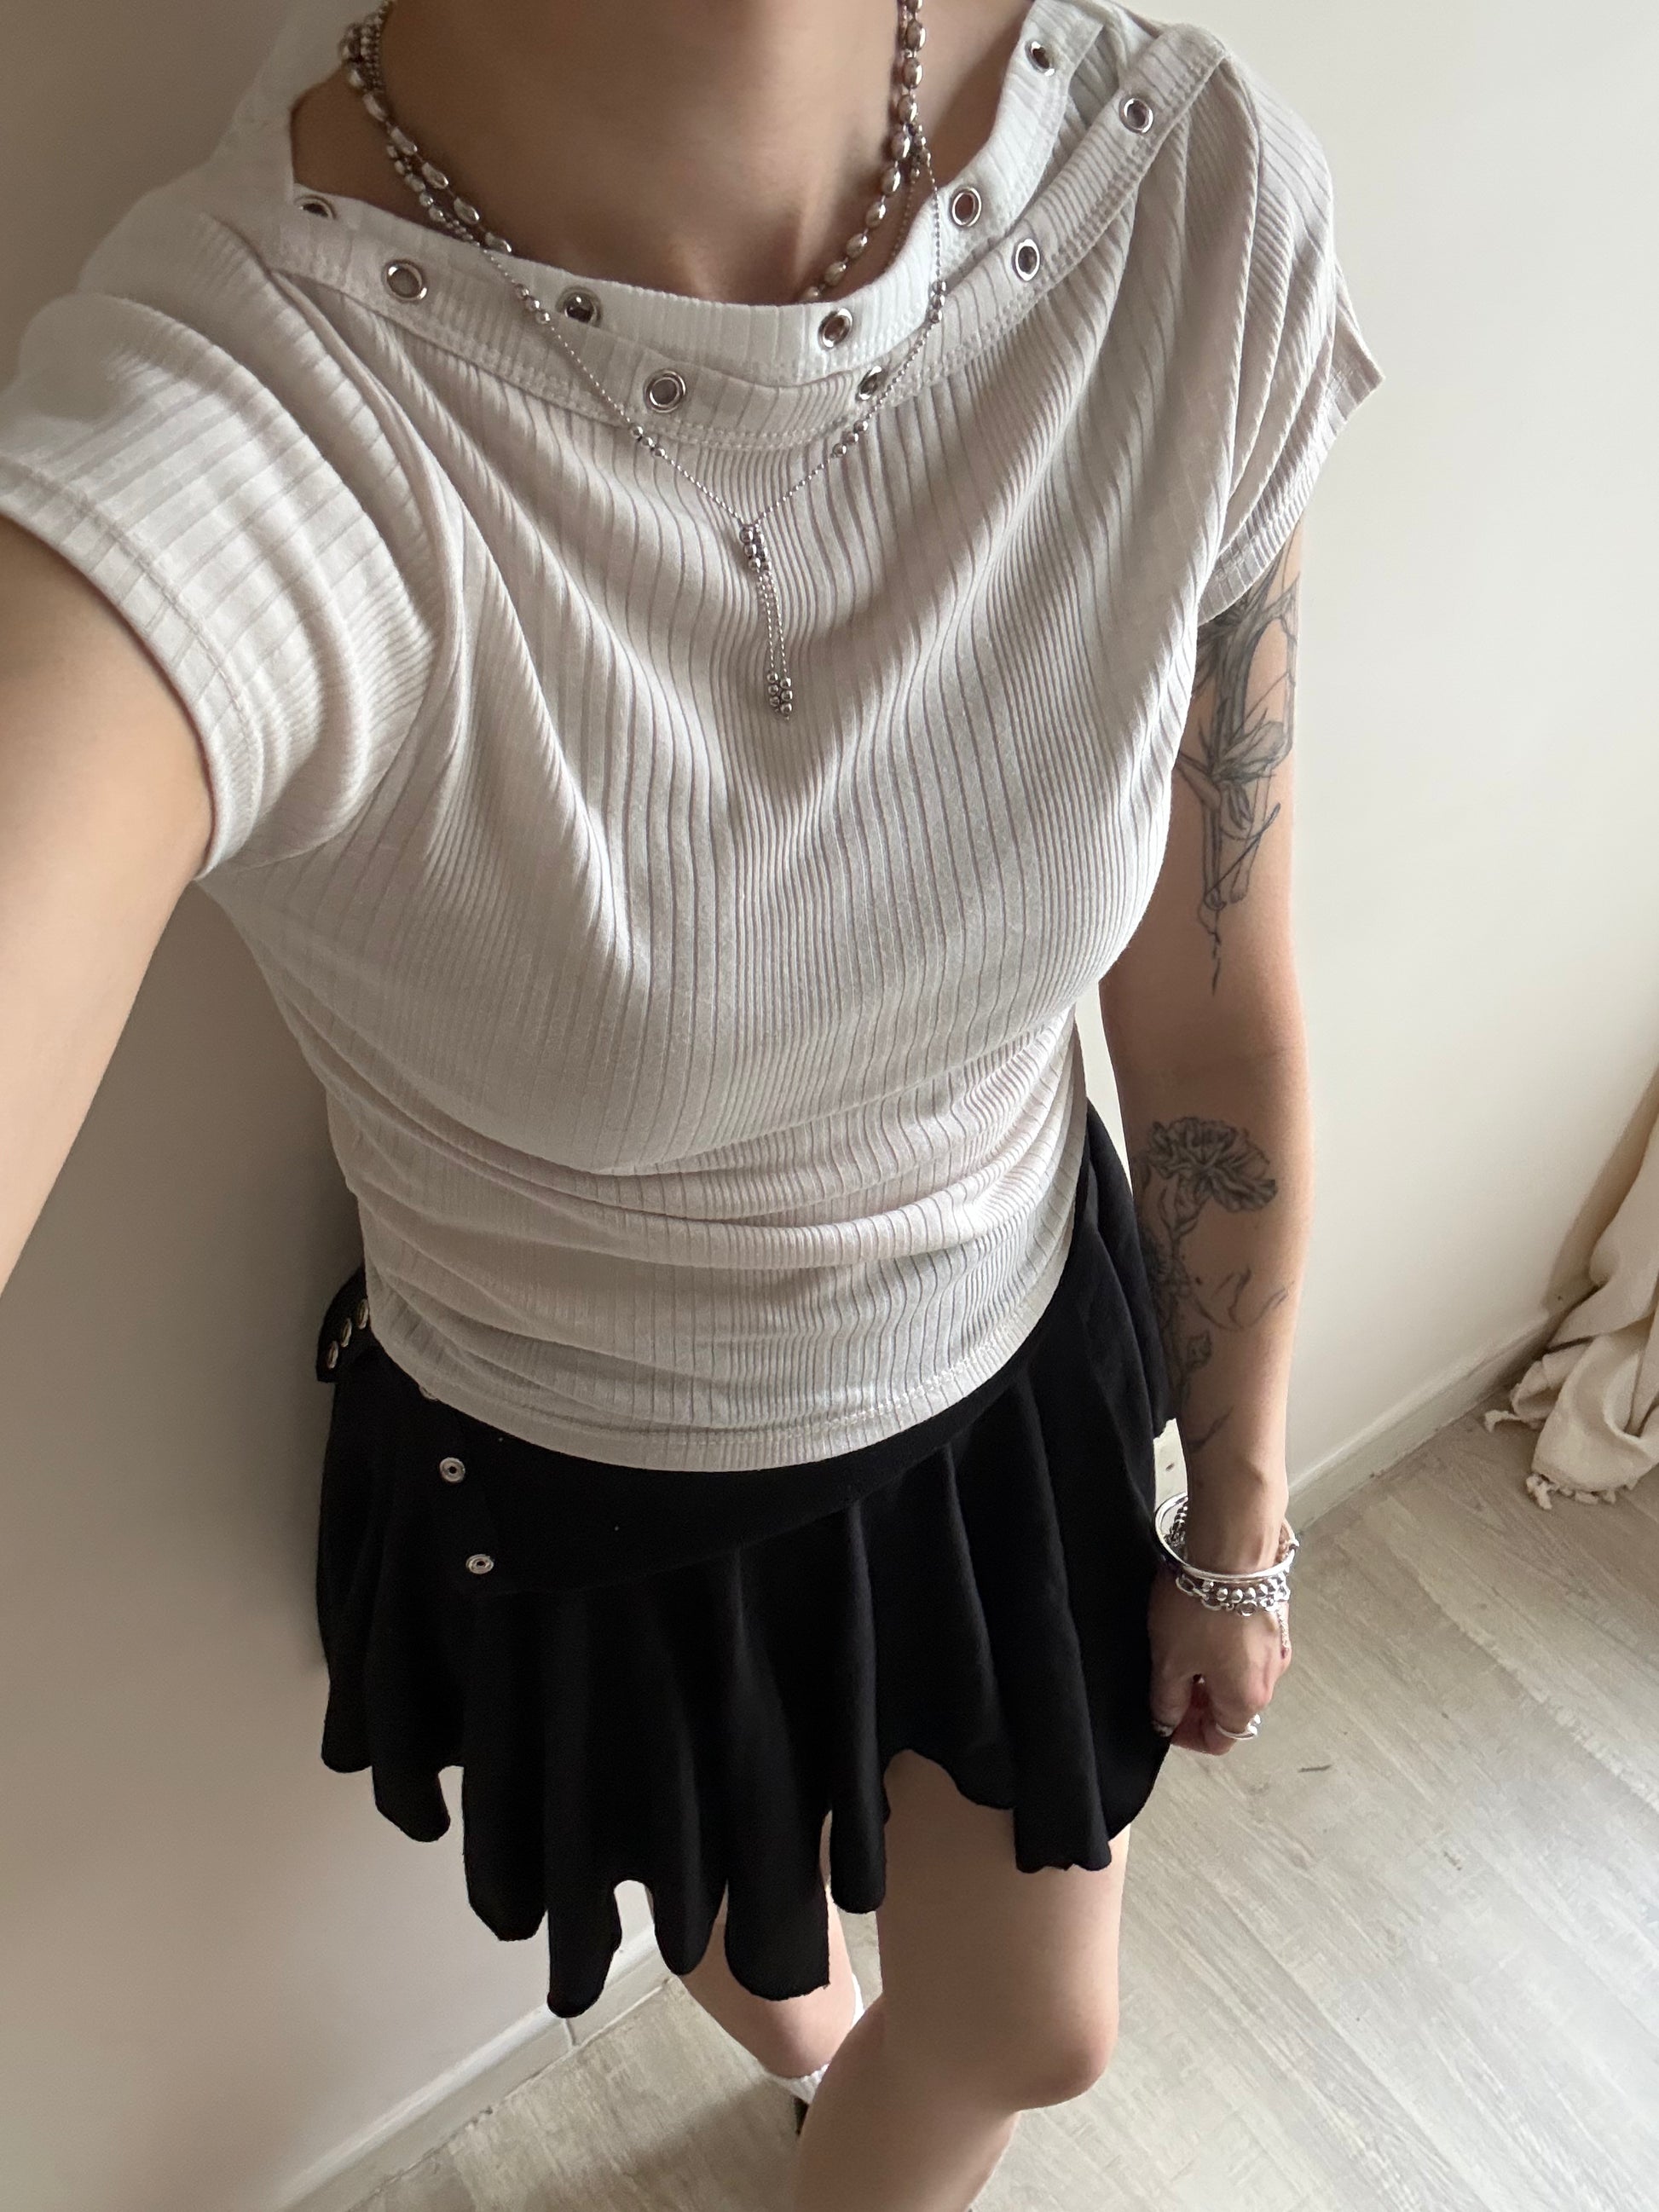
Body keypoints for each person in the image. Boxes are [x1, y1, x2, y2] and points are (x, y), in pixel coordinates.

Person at [0, 0, 1381, 2204]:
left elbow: (1214, 1014)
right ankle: (821, 2059)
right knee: (734, 1911)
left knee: (1034, 2023)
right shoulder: (246, 405)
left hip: (1013, 1380)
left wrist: (1239, 1506)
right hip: (591, 1483)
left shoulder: (1184, 197)